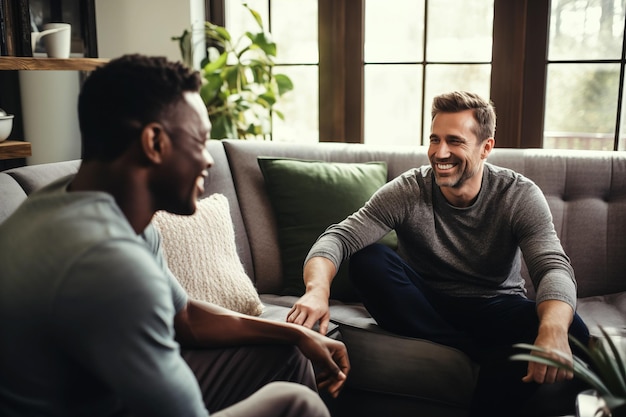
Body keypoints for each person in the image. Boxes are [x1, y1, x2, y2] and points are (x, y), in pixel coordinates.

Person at [0, 54, 349, 417]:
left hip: (104, 393)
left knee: (286, 355)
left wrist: (296, 333)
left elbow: (185, 318)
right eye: (199, 141)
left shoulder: (75, 199)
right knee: (298, 404)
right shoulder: (109, 264)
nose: (208, 159)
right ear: (154, 142)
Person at [286, 91, 590, 416]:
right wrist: (317, 291)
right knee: (368, 259)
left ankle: (474, 351)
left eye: (455, 141)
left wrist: (552, 331)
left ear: (486, 147)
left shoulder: (518, 194)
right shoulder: (409, 189)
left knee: (574, 331)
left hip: (494, 306)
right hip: (425, 303)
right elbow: (339, 238)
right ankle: (475, 349)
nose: (440, 152)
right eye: (434, 139)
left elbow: (552, 268)